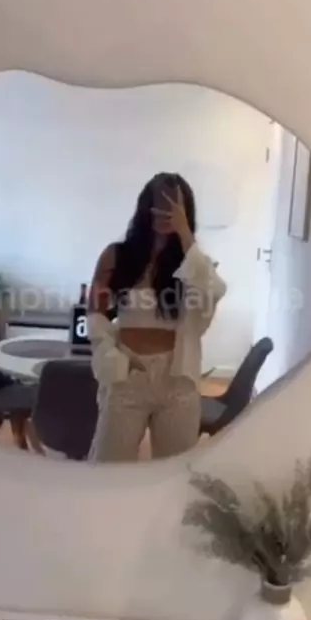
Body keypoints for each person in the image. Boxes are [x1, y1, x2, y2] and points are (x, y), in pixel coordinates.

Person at [87, 172, 226, 462]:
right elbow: (95, 312)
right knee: (108, 466)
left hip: (176, 379)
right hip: (129, 373)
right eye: (159, 202)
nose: (165, 211)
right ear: (145, 205)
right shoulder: (116, 255)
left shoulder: (193, 262)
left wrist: (185, 235)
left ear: (186, 212)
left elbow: (211, 295)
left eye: (174, 205)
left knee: (176, 470)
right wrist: (110, 356)